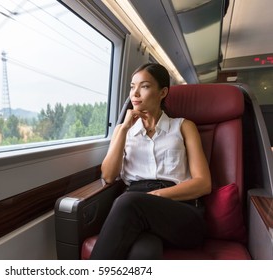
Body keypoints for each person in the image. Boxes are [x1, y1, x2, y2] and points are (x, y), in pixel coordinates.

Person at [90, 63, 211, 259]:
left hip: (179, 210)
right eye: (132, 86)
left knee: (128, 202)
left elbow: (203, 184)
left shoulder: (183, 126)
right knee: (144, 253)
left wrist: (156, 196)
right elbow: (109, 176)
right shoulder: (124, 131)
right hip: (136, 213)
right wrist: (122, 129)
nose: (135, 93)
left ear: (162, 92)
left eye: (144, 86)